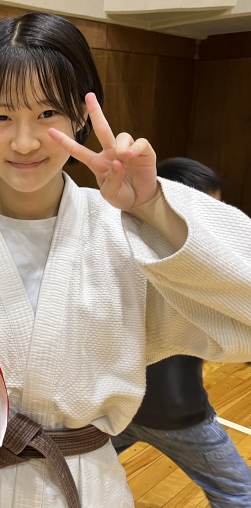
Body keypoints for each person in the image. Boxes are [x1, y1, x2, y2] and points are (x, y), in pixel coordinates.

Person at [0, 12, 251, 507]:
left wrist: (152, 207)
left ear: (80, 114)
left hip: (86, 485)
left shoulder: (121, 230)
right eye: (2, 116)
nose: (25, 141)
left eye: (47, 113)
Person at [111, 157, 251, 507]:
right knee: (238, 494)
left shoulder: (120, 258)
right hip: (175, 414)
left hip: (117, 407)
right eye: (207, 214)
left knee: (71, 475)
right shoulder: (196, 276)